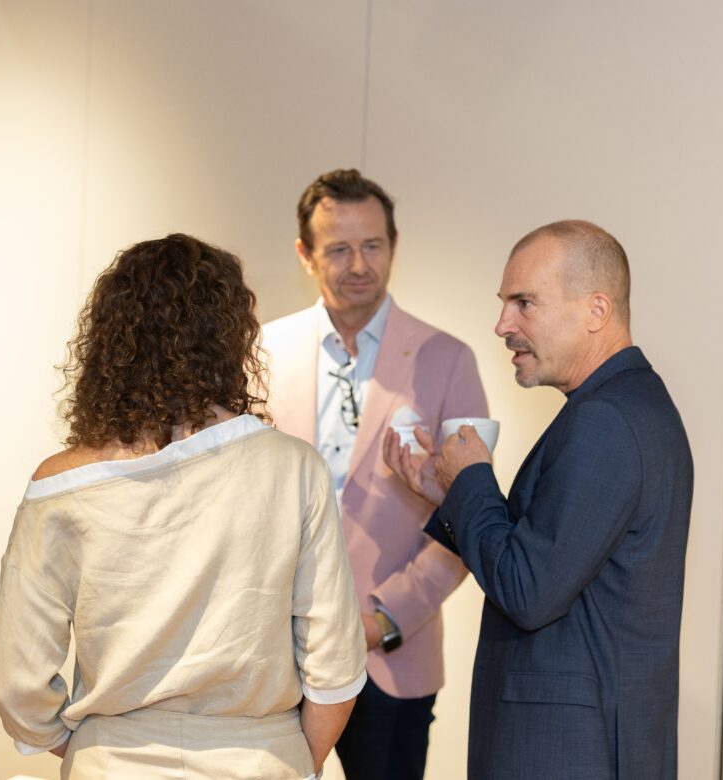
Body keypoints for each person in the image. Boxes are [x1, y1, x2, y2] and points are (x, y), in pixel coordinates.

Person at [0, 233, 367, 779]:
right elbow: (334, 666)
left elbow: (19, 675)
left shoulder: (61, 485)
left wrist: (95, 747)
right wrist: (290, 758)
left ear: (109, 342)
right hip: (262, 761)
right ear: (232, 338)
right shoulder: (293, 468)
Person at [384, 220, 693, 779]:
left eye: (524, 303)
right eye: (504, 303)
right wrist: (450, 492)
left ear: (596, 310)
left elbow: (528, 591)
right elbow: (545, 557)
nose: (502, 324)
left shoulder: (605, 421)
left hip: (568, 754)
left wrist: (474, 477)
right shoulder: (622, 405)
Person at [262, 169, 488, 779]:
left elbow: (470, 514)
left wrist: (386, 619)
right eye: (338, 248)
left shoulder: (448, 359)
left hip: (394, 654)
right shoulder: (262, 352)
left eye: (373, 245)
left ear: (394, 245)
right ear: (305, 254)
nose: (359, 264)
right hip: (277, 653)